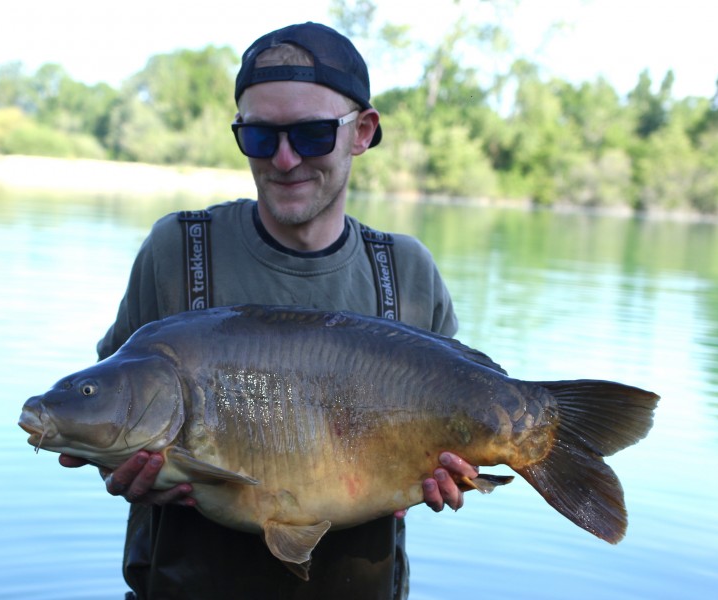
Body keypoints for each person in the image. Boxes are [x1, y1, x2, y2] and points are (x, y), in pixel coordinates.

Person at [60, 22, 479, 600]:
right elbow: (113, 413)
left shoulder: (405, 273)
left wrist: (454, 477)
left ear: (362, 132)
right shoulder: (178, 252)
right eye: (259, 137)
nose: (284, 159)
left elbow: (452, 456)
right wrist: (118, 470)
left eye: (310, 135)